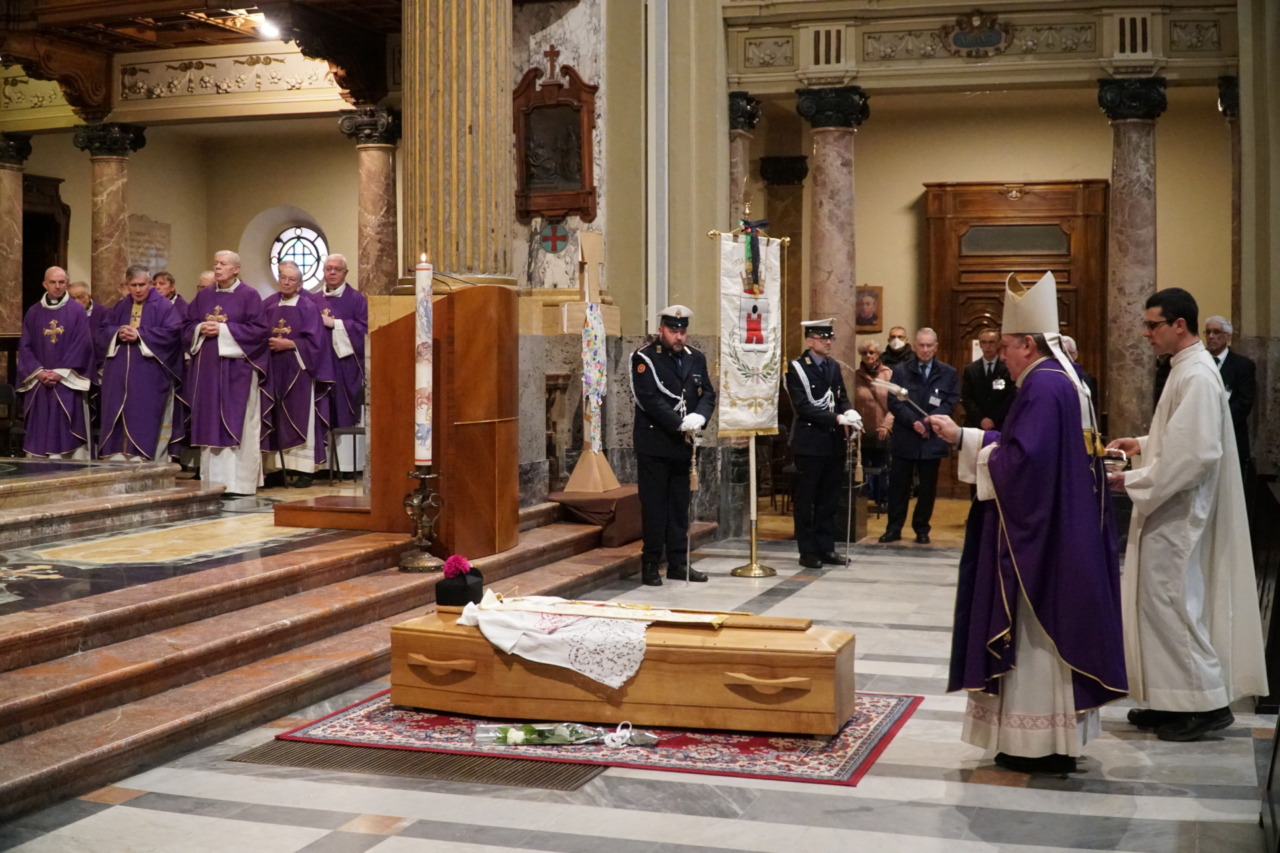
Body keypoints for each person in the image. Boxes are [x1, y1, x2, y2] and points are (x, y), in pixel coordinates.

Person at [928, 270, 1127, 775]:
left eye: (1008, 345)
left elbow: (1025, 464)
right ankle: (1055, 739)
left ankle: (1031, 743)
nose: (1002, 355)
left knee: (1036, 639)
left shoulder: (1042, 386)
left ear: (1026, 345)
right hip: (1064, 526)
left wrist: (963, 439)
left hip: (1040, 538)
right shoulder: (1068, 382)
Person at [1107, 288, 1267, 741]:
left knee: (1173, 604)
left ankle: (1207, 702)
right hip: (1168, 504)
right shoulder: (1184, 370)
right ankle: (1170, 698)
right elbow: (1179, 439)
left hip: (1180, 509)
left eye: (1152, 324)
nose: (1145, 333)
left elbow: (1196, 454)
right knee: (1156, 603)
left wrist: (1131, 480)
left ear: (1180, 325)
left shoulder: (1196, 374)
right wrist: (1143, 444)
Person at [630, 305, 716, 586]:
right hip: (656, 443)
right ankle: (651, 564)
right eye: (673, 331)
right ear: (661, 331)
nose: (679, 337)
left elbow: (707, 394)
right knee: (655, 507)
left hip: (684, 445)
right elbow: (648, 399)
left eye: (682, 331)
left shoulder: (696, 358)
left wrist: (700, 417)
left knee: (680, 507)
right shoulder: (644, 358)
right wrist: (678, 423)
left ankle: (679, 562)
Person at [184, 250, 270, 495]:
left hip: (237, 371)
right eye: (215, 263)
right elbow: (187, 325)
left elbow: (259, 331)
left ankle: (239, 484)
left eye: (223, 264)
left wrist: (222, 330)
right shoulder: (204, 295)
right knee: (210, 422)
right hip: (208, 371)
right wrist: (201, 327)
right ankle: (211, 482)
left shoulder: (250, 295)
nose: (218, 267)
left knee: (239, 422)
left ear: (236, 269)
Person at [785, 319, 863, 569]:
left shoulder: (832, 366)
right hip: (810, 443)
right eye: (822, 337)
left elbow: (841, 397)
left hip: (833, 442)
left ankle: (826, 547)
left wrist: (850, 414)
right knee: (807, 500)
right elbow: (804, 407)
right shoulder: (797, 368)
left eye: (830, 337)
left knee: (829, 500)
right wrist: (838, 418)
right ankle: (807, 551)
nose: (828, 341)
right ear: (810, 340)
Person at [880, 328, 958, 544]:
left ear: (936, 347)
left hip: (932, 438)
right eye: (921, 345)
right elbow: (894, 401)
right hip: (906, 436)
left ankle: (922, 528)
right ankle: (894, 528)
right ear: (914, 346)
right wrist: (913, 422)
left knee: (927, 488)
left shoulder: (948, 372)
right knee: (899, 487)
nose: (925, 350)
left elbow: (950, 401)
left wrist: (930, 421)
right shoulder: (901, 371)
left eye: (929, 346)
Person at [97, 266, 183, 461]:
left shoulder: (163, 307)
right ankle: (116, 455)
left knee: (144, 417)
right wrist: (117, 333)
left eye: (142, 285)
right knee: (117, 413)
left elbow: (173, 334)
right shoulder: (121, 306)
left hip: (149, 376)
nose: (137, 290)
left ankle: (144, 456)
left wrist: (141, 335)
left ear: (150, 284)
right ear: (127, 285)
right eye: (133, 285)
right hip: (119, 376)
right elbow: (102, 331)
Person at [261, 261, 331, 489]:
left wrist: (290, 344)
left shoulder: (308, 307)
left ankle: (303, 469)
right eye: (283, 278)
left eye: (292, 279)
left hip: (298, 369)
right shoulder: (268, 304)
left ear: (300, 284)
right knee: (274, 414)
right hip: (272, 367)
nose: (287, 282)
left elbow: (316, 341)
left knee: (299, 416)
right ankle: (274, 468)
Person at [18, 266, 93, 459]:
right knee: (40, 429)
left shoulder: (77, 311)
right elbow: (25, 346)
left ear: (66, 284)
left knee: (67, 428)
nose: (58, 286)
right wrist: (39, 372)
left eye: (62, 282)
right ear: (45, 284)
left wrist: (61, 372)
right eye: (53, 282)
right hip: (40, 382)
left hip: (67, 380)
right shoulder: (34, 312)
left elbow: (82, 344)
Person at [316, 254, 367, 475]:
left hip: (345, 365)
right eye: (329, 269)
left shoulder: (357, 299)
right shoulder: (312, 299)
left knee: (344, 409)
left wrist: (334, 324)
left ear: (345, 273)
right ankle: (322, 465)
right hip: (319, 365)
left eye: (337, 269)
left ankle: (347, 466)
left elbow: (364, 329)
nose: (333, 272)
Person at [1203, 315, 1255, 474]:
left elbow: (1244, 403)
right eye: (1208, 332)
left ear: (1228, 336)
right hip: (1202, 437)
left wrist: (1216, 420)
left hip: (1230, 435)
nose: (1211, 336)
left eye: (1216, 332)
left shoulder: (1243, 365)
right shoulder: (1199, 362)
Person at [852, 339, 894, 508]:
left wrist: (887, 425)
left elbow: (895, 404)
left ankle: (882, 499)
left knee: (882, 465)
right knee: (864, 464)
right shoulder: (856, 376)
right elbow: (852, 402)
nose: (868, 356)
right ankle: (865, 497)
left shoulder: (888, 374)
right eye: (864, 353)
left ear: (878, 354)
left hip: (883, 428)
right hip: (863, 429)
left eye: (872, 352)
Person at [961, 329, 1014, 430]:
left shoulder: (1007, 368)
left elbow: (1009, 397)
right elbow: (967, 397)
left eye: (991, 342)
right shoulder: (971, 369)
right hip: (975, 424)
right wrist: (981, 419)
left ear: (999, 344)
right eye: (984, 342)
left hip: (999, 424)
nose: (987, 346)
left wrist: (993, 419)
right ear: (980, 344)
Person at [1059, 334, 1099, 406]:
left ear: (1075, 355)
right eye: (1059, 354)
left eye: (1066, 353)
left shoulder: (1087, 379)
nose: (1061, 358)